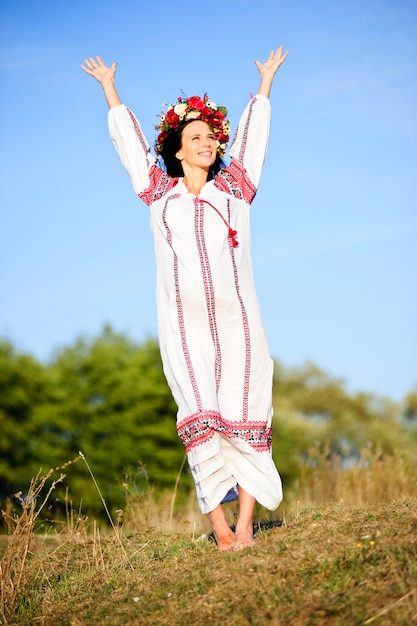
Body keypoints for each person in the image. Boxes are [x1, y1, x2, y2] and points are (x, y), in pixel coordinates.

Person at [81, 45, 288, 551]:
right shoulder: (159, 193)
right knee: (199, 417)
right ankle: (219, 531)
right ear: (177, 148)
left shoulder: (234, 190)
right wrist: (110, 88)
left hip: (239, 322)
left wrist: (264, 86)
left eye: (213, 138)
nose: (209, 143)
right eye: (197, 137)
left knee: (244, 413)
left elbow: (253, 142)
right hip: (184, 326)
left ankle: (244, 530)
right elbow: (129, 146)